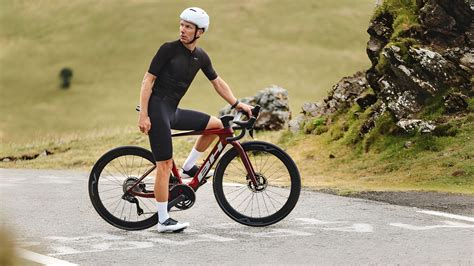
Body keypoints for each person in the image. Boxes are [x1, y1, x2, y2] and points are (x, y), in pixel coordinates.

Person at [137, 7, 253, 233]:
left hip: (172, 110)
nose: (182, 30)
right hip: (157, 108)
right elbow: (147, 81)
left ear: (200, 32)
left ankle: (190, 165)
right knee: (164, 165)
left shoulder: (201, 57)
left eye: (188, 27)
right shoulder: (168, 50)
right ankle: (162, 220)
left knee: (216, 126)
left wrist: (238, 104)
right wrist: (144, 114)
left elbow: (217, 82)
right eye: (181, 24)